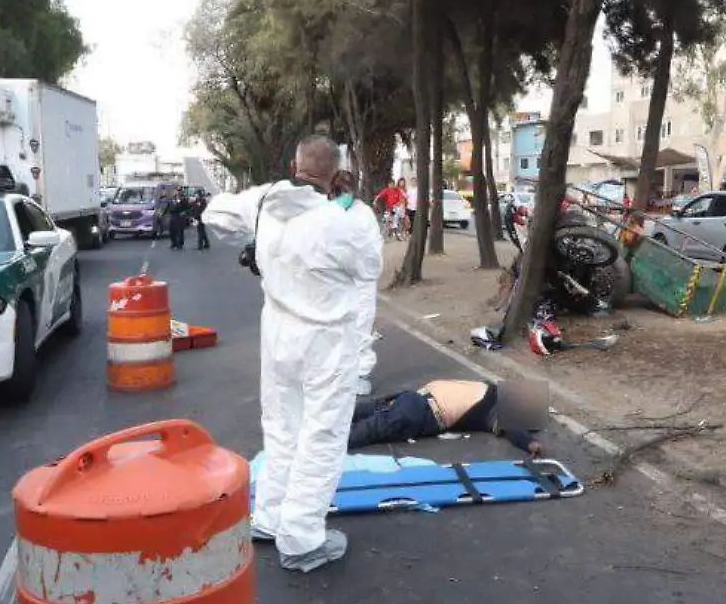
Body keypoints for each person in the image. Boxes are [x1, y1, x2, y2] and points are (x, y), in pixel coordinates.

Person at [203, 136, 383, 572]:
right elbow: (369, 269)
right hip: (327, 342)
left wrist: (260, 237)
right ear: (337, 172)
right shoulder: (349, 221)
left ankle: (268, 517)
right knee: (320, 437)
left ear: (294, 164)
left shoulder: (265, 203)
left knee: (282, 429)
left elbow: (214, 215)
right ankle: (301, 538)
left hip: (278, 334)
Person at [349, 378, 547, 456]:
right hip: (418, 412)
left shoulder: (485, 388)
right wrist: (530, 443)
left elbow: (513, 428)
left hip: (411, 398)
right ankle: (321, 443)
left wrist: (528, 441)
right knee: (359, 432)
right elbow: (514, 429)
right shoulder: (493, 406)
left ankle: (320, 427)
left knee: (353, 412)